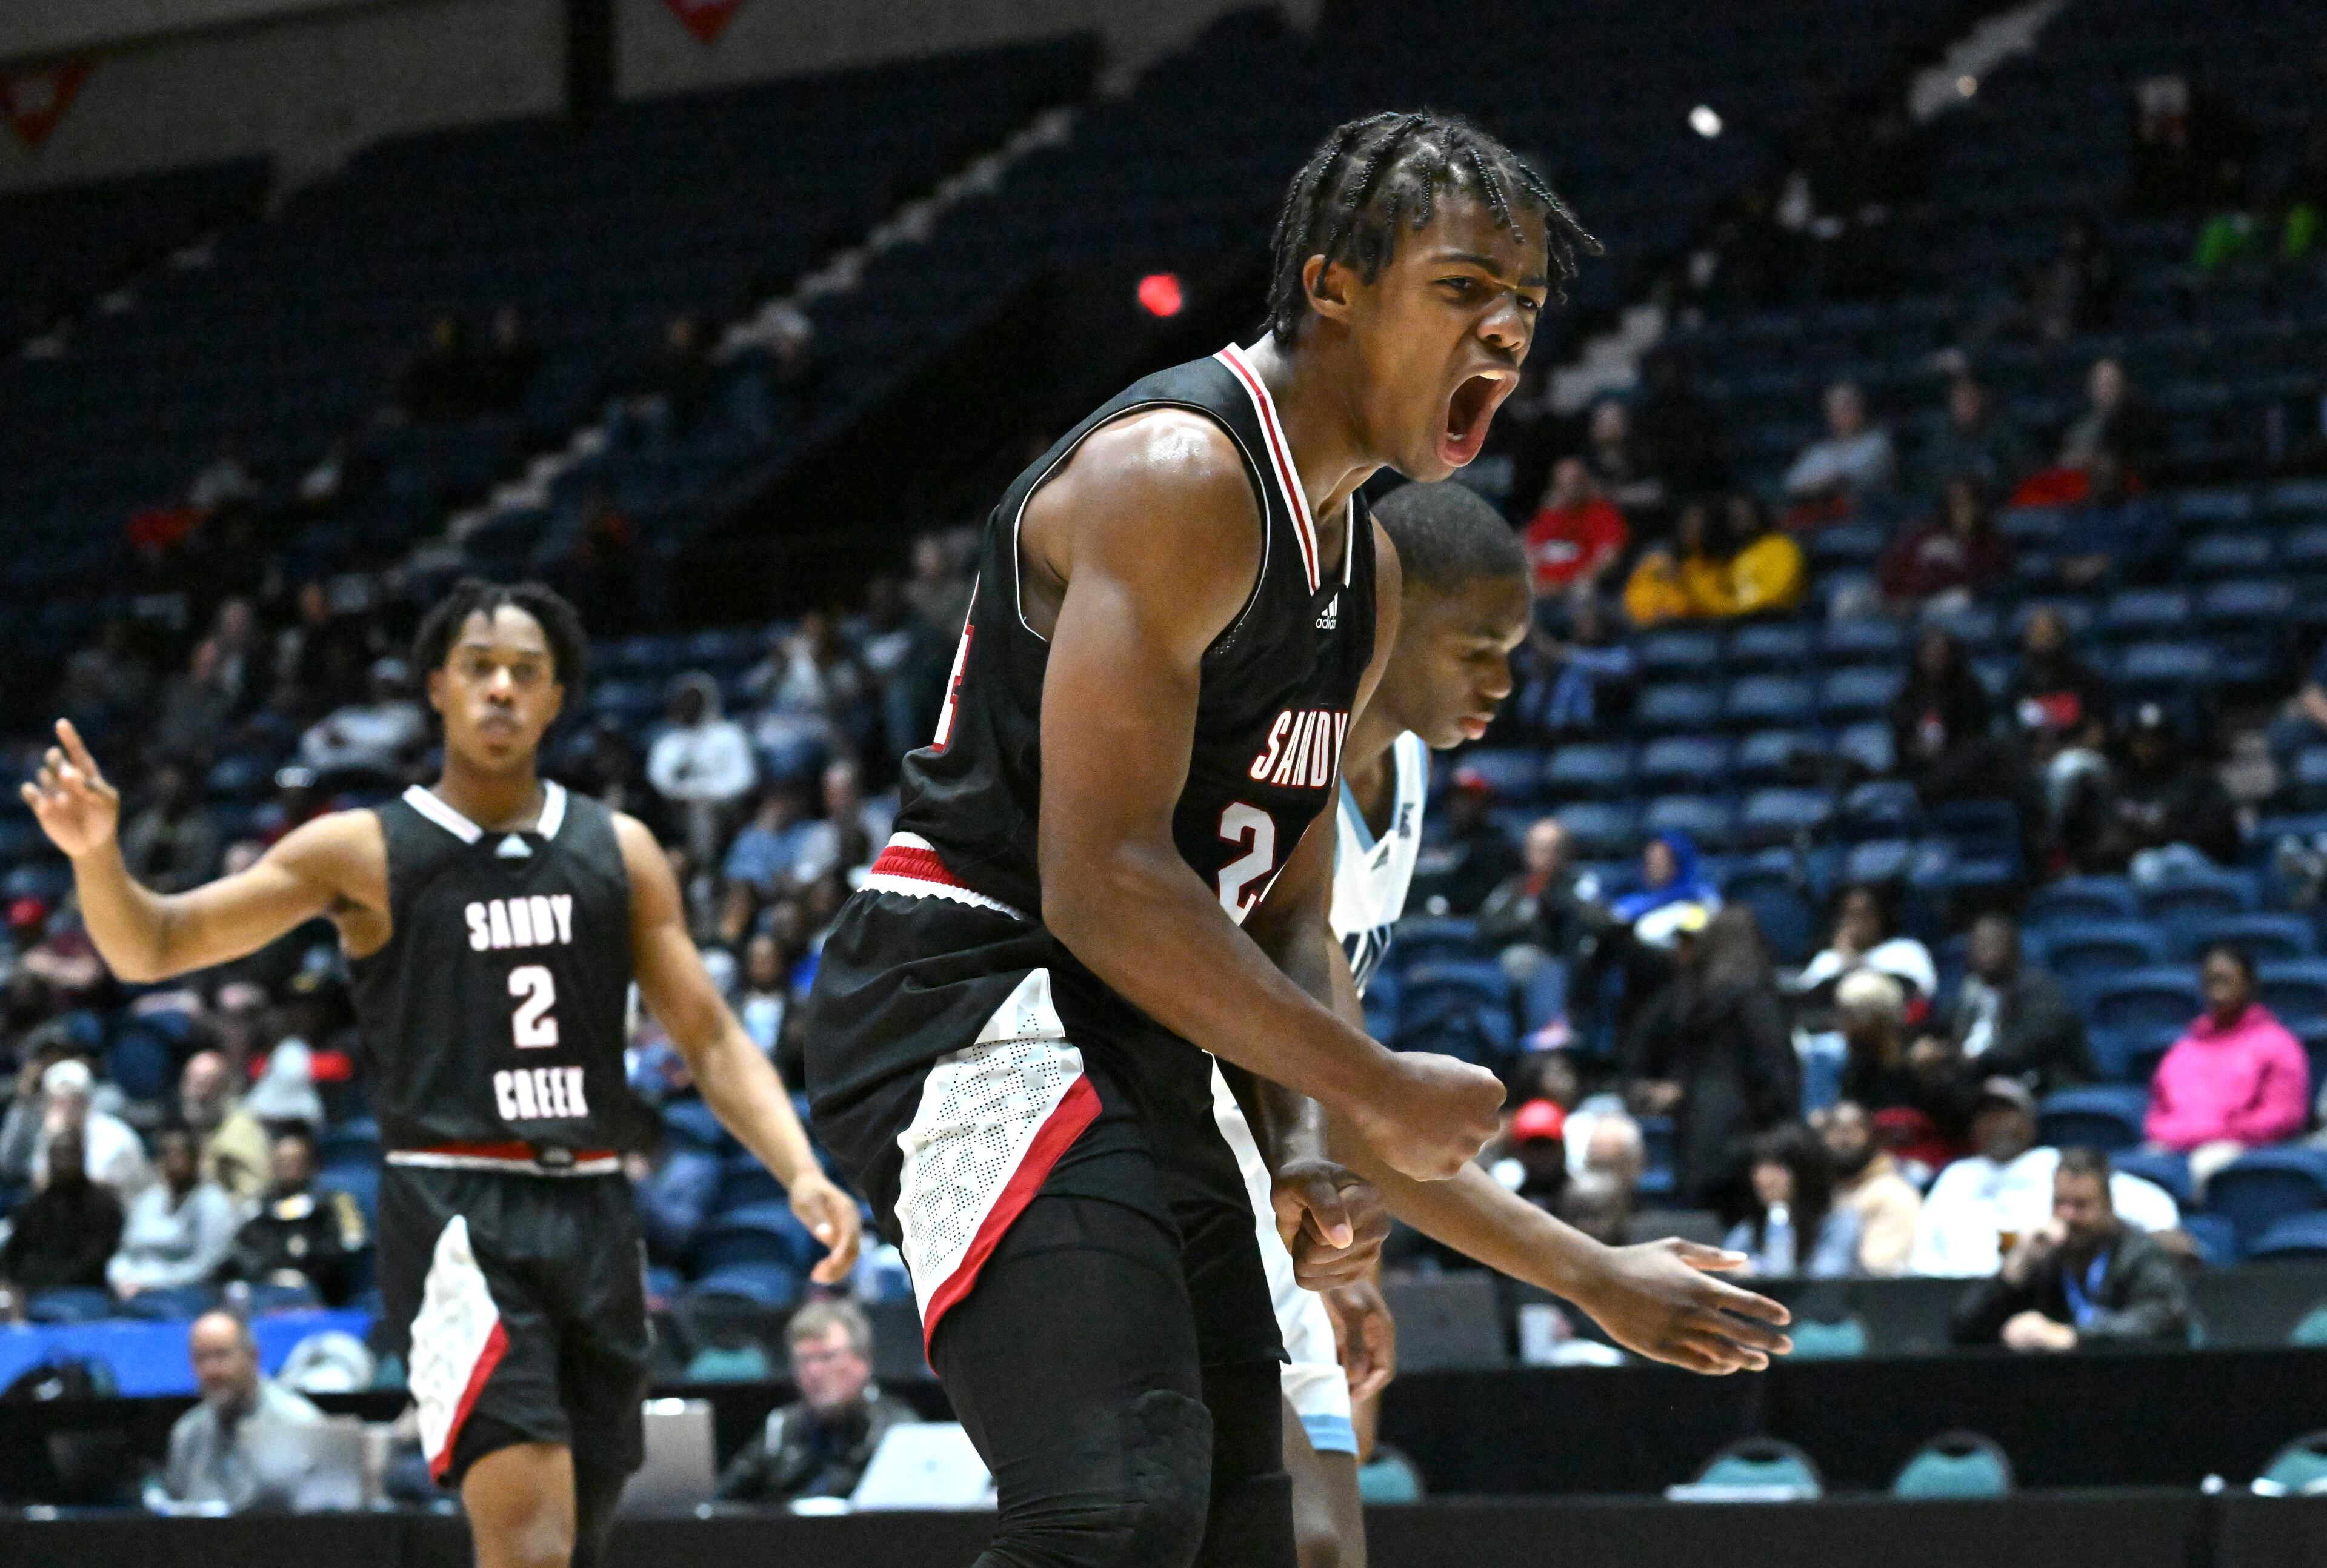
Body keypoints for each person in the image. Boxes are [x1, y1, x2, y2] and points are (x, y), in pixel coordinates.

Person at [805, 115, 1779, 1568]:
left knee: (1240, 1531)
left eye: (1520, 308)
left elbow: (1285, 914)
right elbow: (1103, 880)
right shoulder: (1179, 475)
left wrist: (1313, 1144)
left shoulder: (1366, 562)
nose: (1503, 335)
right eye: (1462, 291)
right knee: (1113, 1504)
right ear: (1330, 285)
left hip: (1140, 1031)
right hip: (980, 993)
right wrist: (1371, 1082)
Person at [23, 578, 860, 1568]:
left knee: (581, 1535)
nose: (501, 688)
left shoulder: (620, 849)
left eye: (526, 672)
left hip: (593, 1209)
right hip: (457, 1206)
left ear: (556, 699)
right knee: (529, 1539)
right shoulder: (367, 848)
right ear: (436, 687)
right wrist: (95, 861)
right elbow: (155, 943)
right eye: (478, 668)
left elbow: (712, 1036)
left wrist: (797, 1165)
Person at [1220, 481, 1793, 1568]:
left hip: (1277, 1193)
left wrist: (1351, 1262)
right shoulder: (1278, 775)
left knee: (1323, 1546)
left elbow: (1338, 1094)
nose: (1504, 682)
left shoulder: (1415, 768)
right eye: (1476, 649)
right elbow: (1355, 1098)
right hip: (1173, 1186)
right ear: (1385, 624)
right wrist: (1592, 1271)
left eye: (1513, 651)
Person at [1624, 907, 1799, 1215]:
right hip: (1747, 1141)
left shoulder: (1693, 1000)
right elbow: (1774, 1074)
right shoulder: (1756, 998)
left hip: (1700, 1138)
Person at [1913, 1079, 2180, 1277]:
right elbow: (1921, 1254)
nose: (1995, 1124)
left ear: (2031, 1124)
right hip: (1962, 1299)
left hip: (2041, 1294)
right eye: (1985, 1115)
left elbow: (2152, 1206)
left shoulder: (2055, 1165)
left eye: (2005, 1113)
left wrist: (2157, 1236)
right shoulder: (1956, 1177)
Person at [1949, 1149, 2194, 1350]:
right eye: (2060, 1203)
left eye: (2081, 1206)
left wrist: (2069, 1336)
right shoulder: (2045, 1257)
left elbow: (2165, 1318)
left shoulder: (2139, 1252)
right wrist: (2014, 1270)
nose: (2068, 1216)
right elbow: (1965, 1329)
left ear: (2108, 1207)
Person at [714, 1300, 919, 1503]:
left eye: (827, 1357)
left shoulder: (898, 1431)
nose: (814, 1371)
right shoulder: (781, 1427)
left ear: (863, 1361)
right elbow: (722, 1503)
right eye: (804, 1360)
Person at [2145, 946, 2311, 1178]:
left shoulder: (2277, 1043)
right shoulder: (2184, 1048)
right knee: (2140, 1170)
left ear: (2248, 984)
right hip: (2176, 1145)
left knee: (2206, 1166)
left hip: (2240, 1148)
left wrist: (2219, 1132)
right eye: (2211, 980)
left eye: (2226, 979)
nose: (2218, 987)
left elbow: (2283, 1116)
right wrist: (2172, 1133)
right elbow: (2157, 1112)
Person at [157, 1311, 326, 1511]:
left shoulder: (301, 1424)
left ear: (253, 1357)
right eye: (201, 1358)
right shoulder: (187, 1434)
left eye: (222, 1355)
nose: (212, 1371)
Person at [1935, 912, 2093, 1095]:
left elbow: (2026, 1045)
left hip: (2036, 1081)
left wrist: (1965, 1059)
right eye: (1979, 943)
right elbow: (1940, 1028)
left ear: (2014, 947)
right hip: (1978, 1085)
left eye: (1994, 942)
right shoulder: (1968, 991)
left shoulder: (2039, 989)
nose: (1985, 950)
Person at [224, 1127, 370, 1306]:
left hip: (322, 1299)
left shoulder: (332, 1205)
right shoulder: (257, 1209)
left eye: (294, 1161)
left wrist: (304, 1269)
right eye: (282, 1161)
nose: (288, 1168)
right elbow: (241, 1252)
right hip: (265, 1295)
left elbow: (347, 1249)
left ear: (309, 1164)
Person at [2093, 705, 2242, 873]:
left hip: (2192, 861)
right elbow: (2101, 838)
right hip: (2130, 867)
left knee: (2160, 862)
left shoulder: (2197, 780)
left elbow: (2224, 836)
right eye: (2141, 741)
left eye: (2156, 741)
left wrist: (2167, 831)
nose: (2148, 748)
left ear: (2170, 742)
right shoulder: (2118, 782)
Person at [110, 1127, 242, 1308]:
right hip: (133, 1289)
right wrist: (120, 1278)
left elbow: (207, 1263)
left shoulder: (213, 1202)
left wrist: (153, 1284)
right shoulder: (148, 1200)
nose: (173, 1161)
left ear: (196, 1159)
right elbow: (126, 1251)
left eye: (180, 1155)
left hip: (186, 1292)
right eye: (166, 1155)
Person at [0, 1128, 124, 1306]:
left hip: (84, 1291)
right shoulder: (35, 1206)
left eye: (69, 1155)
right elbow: (13, 1255)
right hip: (32, 1291)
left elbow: (93, 1262)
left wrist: (45, 1282)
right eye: (56, 1156)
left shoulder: (103, 1205)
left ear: (82, 1157)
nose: (62, 1163)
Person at [647, 672, 758, 870]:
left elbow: (744, 779)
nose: (688, 706)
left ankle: (705, 871)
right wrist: (682, 796)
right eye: (684, 700)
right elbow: (659, 780)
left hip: (724, 807)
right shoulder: (668, 742)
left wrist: (702, 794)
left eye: (694, 700)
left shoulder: (729, 734)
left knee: (702, 811)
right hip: (674, 808)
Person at [1722, 1125, 1859, 1278]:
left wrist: (1758, 1269)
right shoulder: (1751, 1228)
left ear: (1804, 1172)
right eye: (1759, 1167)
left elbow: (1826, 1276)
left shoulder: (1840, 1222)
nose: (1764, 1179)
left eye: (1777, 1167)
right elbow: (1725, 1264)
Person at [1791, 882, 1939, 1012]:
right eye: (1849, 915)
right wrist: (1845, 957)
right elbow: (1804, 1002)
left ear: (1880, 916)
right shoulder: (1828, 960)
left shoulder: (1906, 951)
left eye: (1864, 914)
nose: (1857, 923)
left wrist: (1854, 961)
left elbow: (1925, 996)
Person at [1815, 1100, 1922, 1276]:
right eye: (1834, 1130)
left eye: (1852, 1130)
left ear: (1872, 1137)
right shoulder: (1829, 1190)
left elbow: (1878, 1272)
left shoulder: (1893, 1192)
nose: (1843, 1140)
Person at [1880, 477, 2011, 608]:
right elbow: (1894, 570)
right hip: (1908, 602)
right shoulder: (1923, 535)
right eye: (1954, 503)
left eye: (1966, 503)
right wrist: (1899, 598)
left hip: (1946, 606)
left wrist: (1963, 548)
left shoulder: (1989, 542)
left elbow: (1984, 583)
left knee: (1959, 599)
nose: (1959, 510)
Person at [32, 1057, 151, 1200]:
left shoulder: (116, 1137)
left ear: (86, 1101)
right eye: (58, 1102)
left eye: (73, 1101)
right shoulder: (51, 1133)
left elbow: (96, 1190)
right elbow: (39, 1184)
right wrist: (54, 1138)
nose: (66, 1109)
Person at [299, 657, 428, 777]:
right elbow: (311, 739)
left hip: (376, 778)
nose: (381, 689)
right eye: (377, 684)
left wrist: (347, 739)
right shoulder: (350, 713)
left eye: (387, 684)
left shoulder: (410, 713)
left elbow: (390, 743)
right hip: (330, 774)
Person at [1522, 456, 1628, 594]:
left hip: (1579, 586)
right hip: (1543, 588)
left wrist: (1581, 578)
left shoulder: (1602, 512)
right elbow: (1531, 549)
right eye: (1564, 484)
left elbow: (1610, 554)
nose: (1570, 488)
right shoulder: (1550, 513)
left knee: (1583, 594)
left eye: (1575, 482)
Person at [1782, 380, 1896, 506]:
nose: (1842, 413)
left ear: (1861, 409)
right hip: (1821, 515)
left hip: (1865, 516)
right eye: (1835, 408)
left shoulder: (1877, 443)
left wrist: (1820, 482)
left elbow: (1848, 476)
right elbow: (1792, 484)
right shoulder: (1820, 450)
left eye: (1848, 406)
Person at [179, 1049, 271, 1203]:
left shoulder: (242, 1130)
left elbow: (255, 1191)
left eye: (208, 1084)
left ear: (224, 1088)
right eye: (193, 1083)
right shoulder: (185, 1128)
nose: (199, 1095)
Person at [121, 764, 224, 894]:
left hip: (189, 898)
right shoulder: (142, 825)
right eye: (165, 789)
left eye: (176, 789)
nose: (170, 795)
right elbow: (127, 865)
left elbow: (206, 870)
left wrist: (175, 882)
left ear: (186, 791)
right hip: (142, 896)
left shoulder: (203, 827)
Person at [1922, 377, 2032, 497]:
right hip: (1953, 502)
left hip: (1997, 498)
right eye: (1960, 401)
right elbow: (1934, 474)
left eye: (1971, 399)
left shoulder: (2001, 429)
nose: (1966, 406)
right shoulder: (1941, 436)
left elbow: (2021, 467)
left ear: (1980, 401)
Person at [1723, 494, 1805, 617]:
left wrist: (1738, 608)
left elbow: (1782, 591)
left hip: (1778, 622)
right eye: (1735, 516)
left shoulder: (1781, 546)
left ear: (1758, 513)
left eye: (1745, 514)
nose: (1741, 519)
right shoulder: (1732, 555)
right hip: (1739, 623)